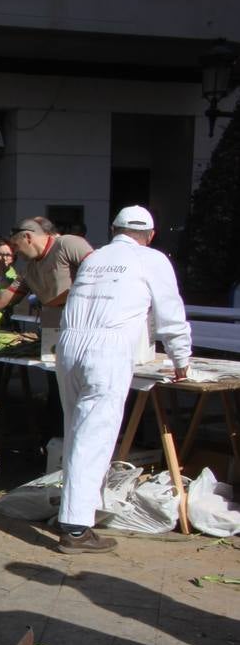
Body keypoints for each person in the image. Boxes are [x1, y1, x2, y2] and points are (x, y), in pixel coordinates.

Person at [54, 206, 191, 554]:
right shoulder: (152, 259)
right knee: (94, 435)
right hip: (107, 348)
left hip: (69, 344)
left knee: (77, 431)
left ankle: (78, 511)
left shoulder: (95, 258)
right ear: (150, 235)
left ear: (114, 229)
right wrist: (181, 361)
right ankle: (75, 527)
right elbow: (170, 314)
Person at [0, 216, 92, 331]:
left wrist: (55, 302)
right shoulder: (28, 271)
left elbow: (98, 276)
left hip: (85, 323)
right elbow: (2, 300)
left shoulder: (67, 244)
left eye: (16, 246)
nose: (14, 253)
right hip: (53, 325)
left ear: (28, 237)